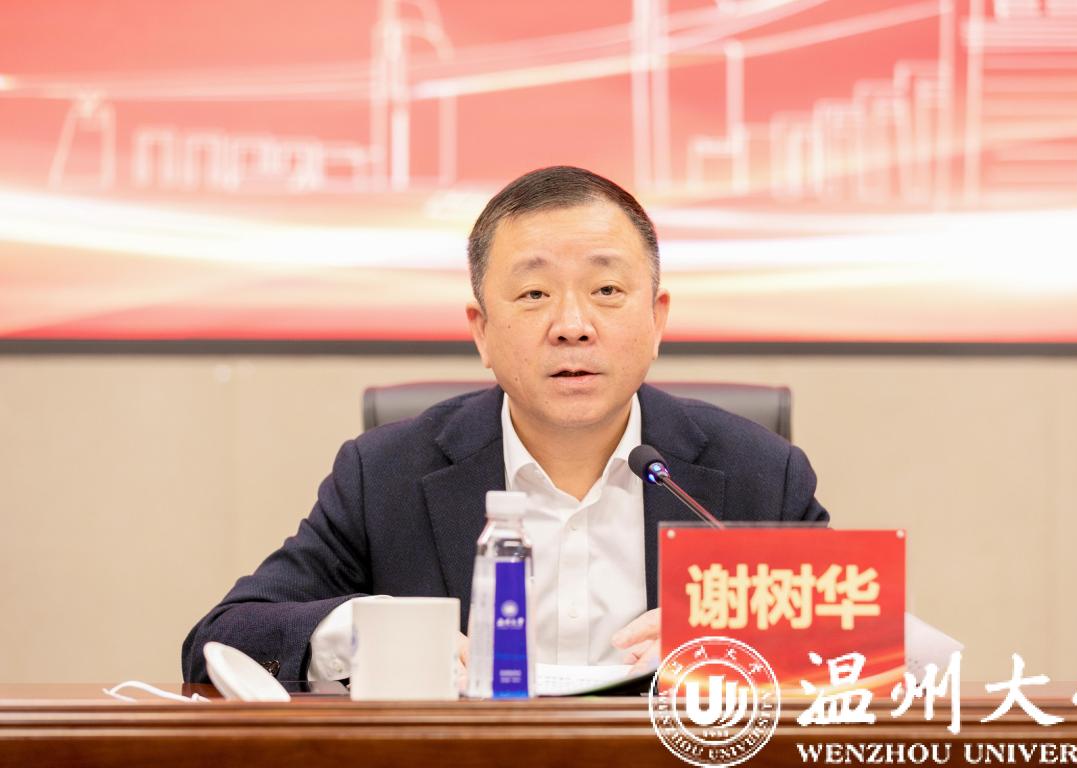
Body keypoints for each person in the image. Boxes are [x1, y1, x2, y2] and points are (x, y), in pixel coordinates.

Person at [181, 166, 829, 685]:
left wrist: (745, 636)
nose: (572, 325)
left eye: (607, 291)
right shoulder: (386, 476)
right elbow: (220, 641)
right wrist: (365, 634)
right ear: (482, 331)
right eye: (533, 294)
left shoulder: (758, 476)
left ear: (657, 319)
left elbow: (860, 644)